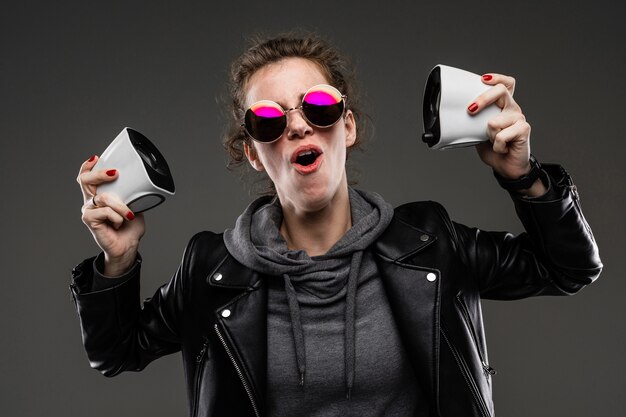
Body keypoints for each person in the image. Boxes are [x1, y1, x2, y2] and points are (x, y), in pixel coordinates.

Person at [71, 34, 602, 417]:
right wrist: (117, 262)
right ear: (253, 153)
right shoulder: (212, 269)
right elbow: (116, 352)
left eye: (319, 106)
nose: (298, 123)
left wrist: (525, 177)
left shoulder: (429, 241)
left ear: (345, 126)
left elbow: (570, 267)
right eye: (269, 120)